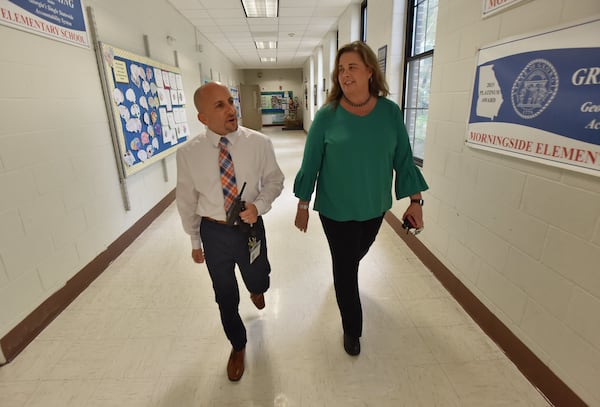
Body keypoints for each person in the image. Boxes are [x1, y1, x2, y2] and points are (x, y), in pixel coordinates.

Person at [293, 41, 428, 356]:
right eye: (341, 69)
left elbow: (404, 160)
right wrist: (302, 204)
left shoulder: (389, 113)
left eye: (352, 67)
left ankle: (344, 278)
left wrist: (416, 201)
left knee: (354, 256)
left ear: (370, 71)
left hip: (374, 207)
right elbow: (310, 163)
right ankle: (352, 330)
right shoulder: (327, 115)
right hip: (335, 209)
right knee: (345, 266)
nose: (345, 74)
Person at [176, 82, 284, 381]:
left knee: (258, 275)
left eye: (229, 101)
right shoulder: (188, 154)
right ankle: (238, 344)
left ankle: (257, 288)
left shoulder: (258, 143)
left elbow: (275, 181)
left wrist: (259, 206)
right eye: (219, 106)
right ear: (202, 118)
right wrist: (195, 240)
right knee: (224, 294)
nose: (230, 110)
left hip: (250, 227)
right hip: (214, 233)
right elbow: (186, 200)